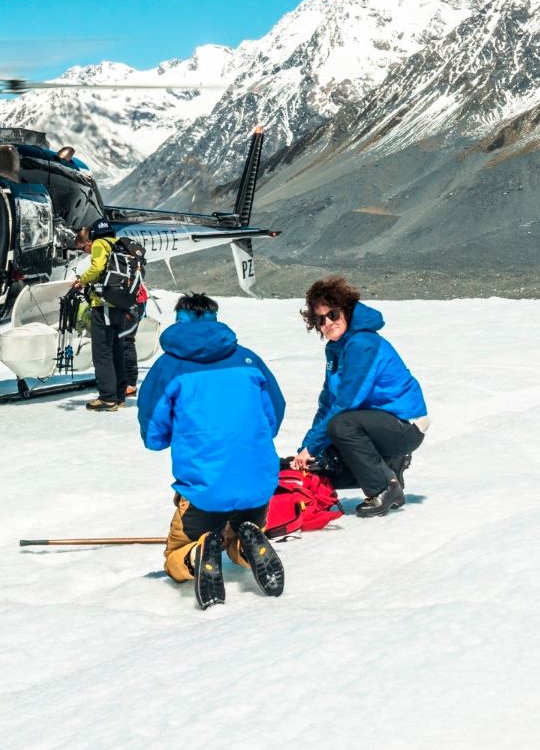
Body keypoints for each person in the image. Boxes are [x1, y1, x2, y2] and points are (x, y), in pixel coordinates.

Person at [139, 292, 287, 609]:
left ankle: (196, 554)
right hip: (258, 485)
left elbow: (153, 435)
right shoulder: (248, 359)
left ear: (179, 321)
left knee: (174, 556)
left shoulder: (169, 367)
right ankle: (247, 546)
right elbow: (274, 414)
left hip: (205, 490)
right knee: (238, 533)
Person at [288, 275, 428, 518]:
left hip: (404, 426)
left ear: (346, 309)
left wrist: (312, 446)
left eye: (332, 314)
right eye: (320, 319)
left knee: (342, 425)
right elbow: (327, 403)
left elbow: (347, 403)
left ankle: (384, 488)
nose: (327, 323)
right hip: (377, 424)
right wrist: (308, 450)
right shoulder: (336, 348)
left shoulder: (362, 343)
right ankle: (389, 468)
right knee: (327, 460)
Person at [70, 219, 141, 411]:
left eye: (84, 249)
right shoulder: (117, 244)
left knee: (102, 352)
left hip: (104, 305)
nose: (86, 252)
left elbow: (97, 268)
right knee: (117, 349)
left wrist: (81, 281)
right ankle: (119, 396)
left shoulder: (100, 244)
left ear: (89, 241)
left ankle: (107, 397)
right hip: (120, 303)